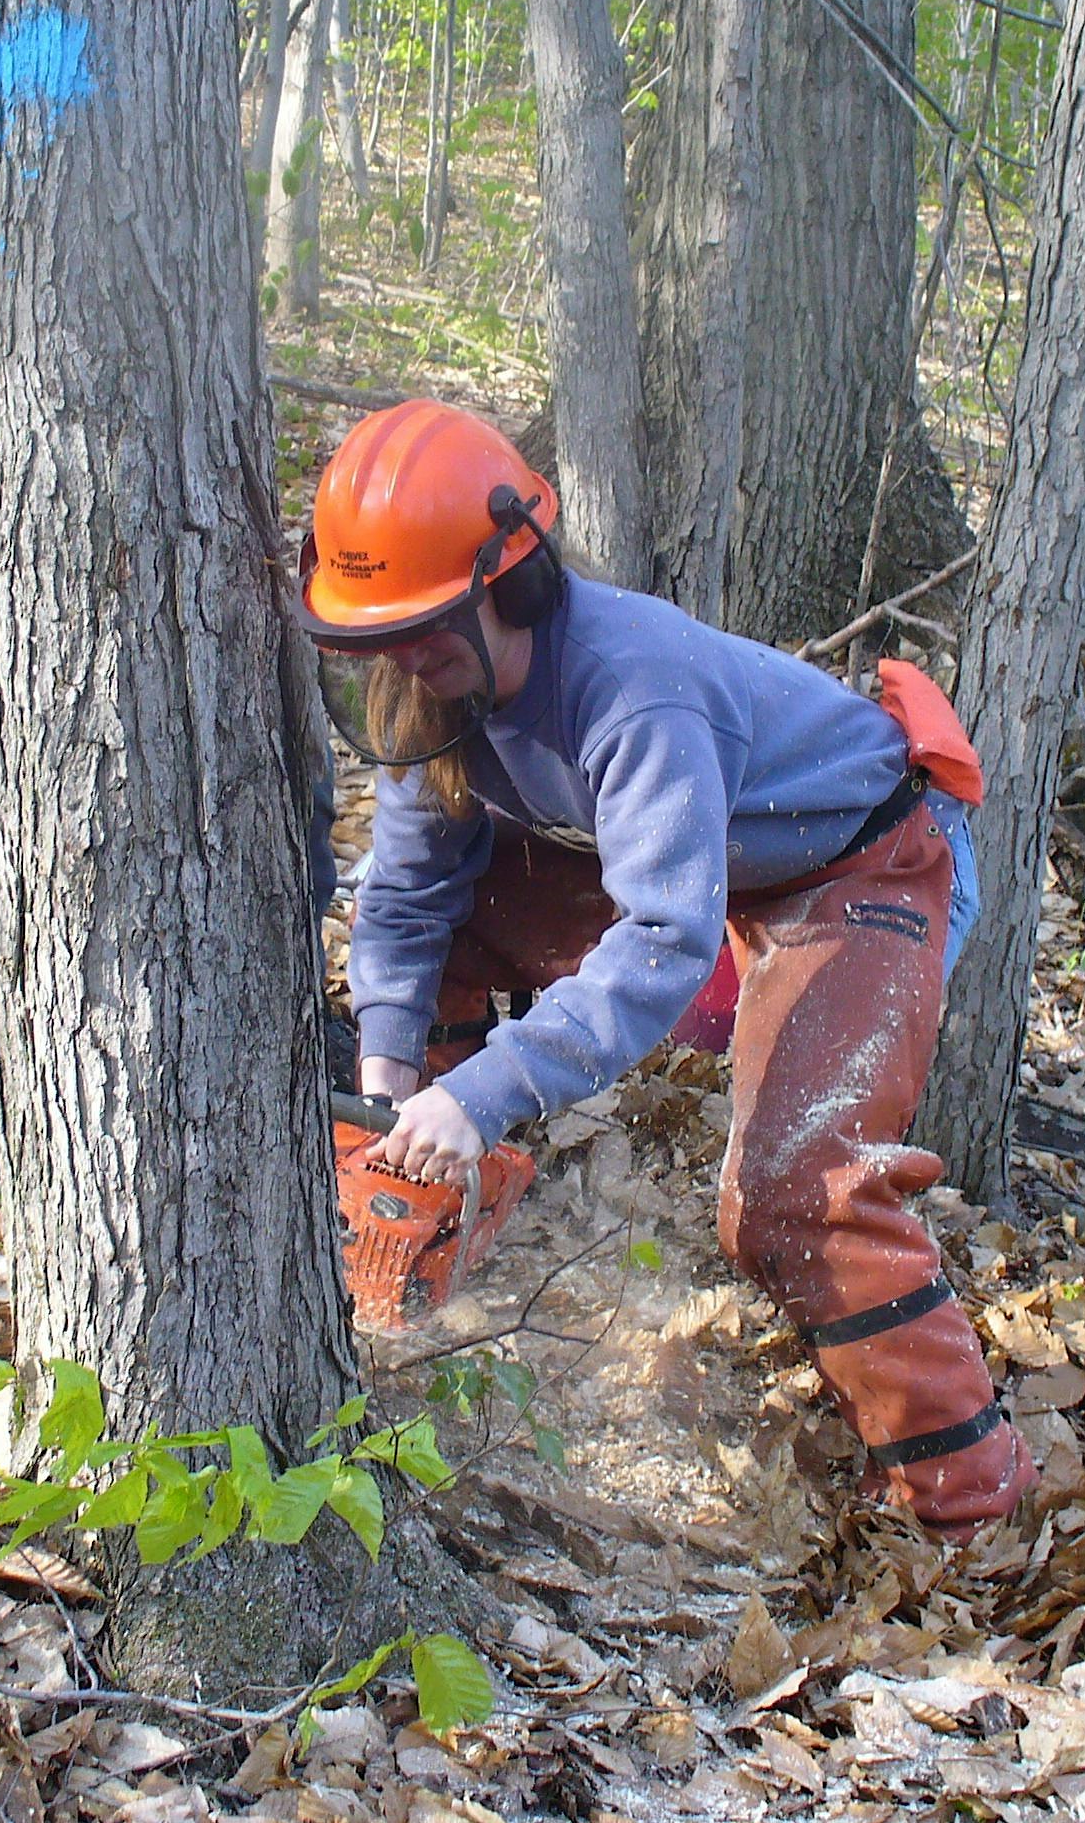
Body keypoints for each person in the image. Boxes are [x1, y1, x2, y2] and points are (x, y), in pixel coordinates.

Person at [303, 400, 1037, 1536]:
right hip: (705, 870)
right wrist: (394, 1076)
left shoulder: (628, 685)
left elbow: (660, 939)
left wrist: (484, 1091)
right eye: (377, 636)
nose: (403, 658)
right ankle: (426, 1263)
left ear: (512, 580)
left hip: (862, 868)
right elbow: (404, 901)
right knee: (446, 935)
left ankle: (971, 1506)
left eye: (427, 627)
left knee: (796, 1192)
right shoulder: (425, 690)